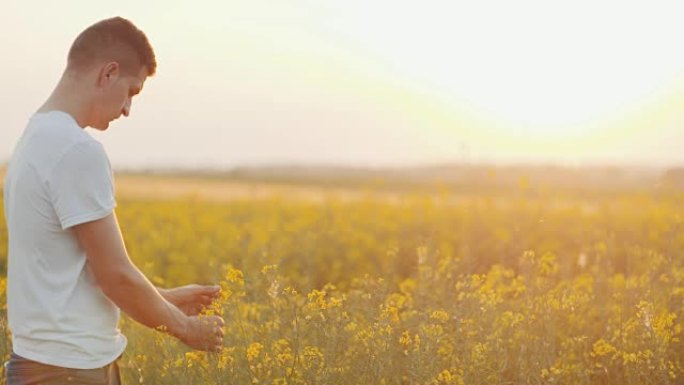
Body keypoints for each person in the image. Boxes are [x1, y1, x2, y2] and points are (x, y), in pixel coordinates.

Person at [2, 17, 225, 384]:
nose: (127, 110)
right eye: (132, 92)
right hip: (69, 372)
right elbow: (116, 276)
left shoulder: (33, 138)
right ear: (108, 73)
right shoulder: (75, 149)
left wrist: (163, 299)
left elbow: (70, 273)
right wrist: (187, 329)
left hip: (39, 366)